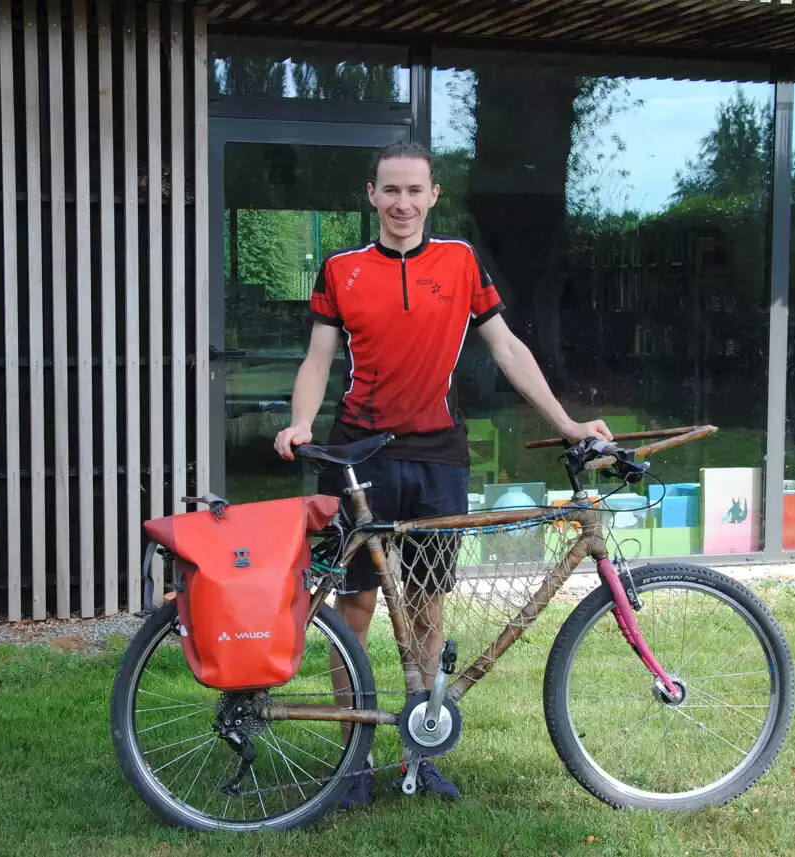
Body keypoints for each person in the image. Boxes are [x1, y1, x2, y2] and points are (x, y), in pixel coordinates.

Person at [274, 140, 611, 808]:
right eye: (390, 190)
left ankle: (418, 754)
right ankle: (351, 761)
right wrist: (301, 421)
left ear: (433, 197)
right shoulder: (342, 269)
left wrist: (570, 424)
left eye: (414, 191)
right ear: (371, 195)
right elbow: (317, 359)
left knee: (427, 607)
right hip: (359, 453)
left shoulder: (459, 263)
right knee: (357, 606)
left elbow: (506, 346)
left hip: (437, 455)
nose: (402, 203)